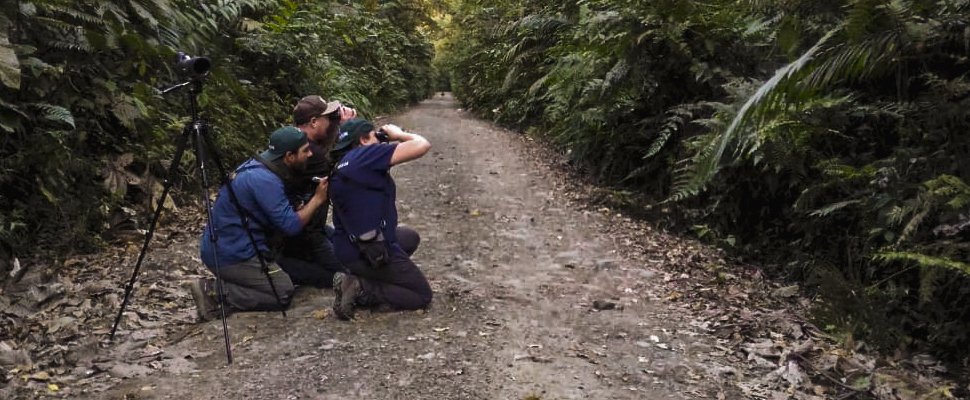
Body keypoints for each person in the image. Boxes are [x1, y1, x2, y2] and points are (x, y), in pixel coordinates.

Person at [185, 126, 329, 322]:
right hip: (232, 256)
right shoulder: (264, 180)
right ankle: (215, 292)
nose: (310, 154)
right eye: (305, 150)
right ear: (288, 156)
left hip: (229, 247)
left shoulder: (259, 166)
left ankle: (238, 283)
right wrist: (318, 199)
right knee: (282, 291)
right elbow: (292, 226)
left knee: (300, 271)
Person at [328, 118, 432, 320]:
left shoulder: (343, 162)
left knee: (409, 237)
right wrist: (398, 134)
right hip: (369, 249)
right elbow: (421, 145)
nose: (381, 140)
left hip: (349, 247)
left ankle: (364, 275)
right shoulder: (364, 156)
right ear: (363, 140)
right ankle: (362, 288)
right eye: (375, 136)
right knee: (421, 295)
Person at [272, 96, 356, 287]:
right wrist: (347, 131)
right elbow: (342, 171)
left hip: (297, 227)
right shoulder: (311, 153)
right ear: (314, 122)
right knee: (348, 275)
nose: (332, 122)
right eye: (329, 118)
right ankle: (284, 268)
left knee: (350, 250)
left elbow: (324, 154)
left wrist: (336, 127)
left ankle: (288, 261)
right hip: (307, 233)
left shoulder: (292, 143)